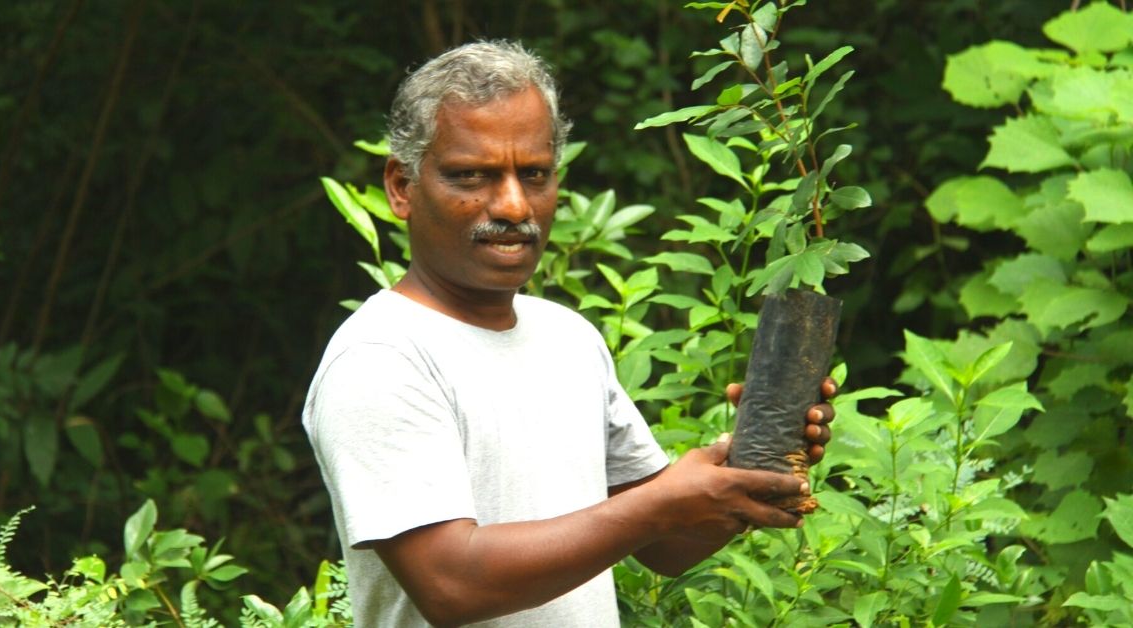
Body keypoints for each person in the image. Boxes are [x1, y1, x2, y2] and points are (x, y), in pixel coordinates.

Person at [302, 39, 835, 628]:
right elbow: (452, 585)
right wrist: (666, 503)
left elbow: (665, 543)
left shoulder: (568, 339)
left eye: (533, 174)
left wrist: (745, 474)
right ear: (403, 188)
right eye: (472, 175)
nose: (511, 205)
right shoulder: (383, 357)